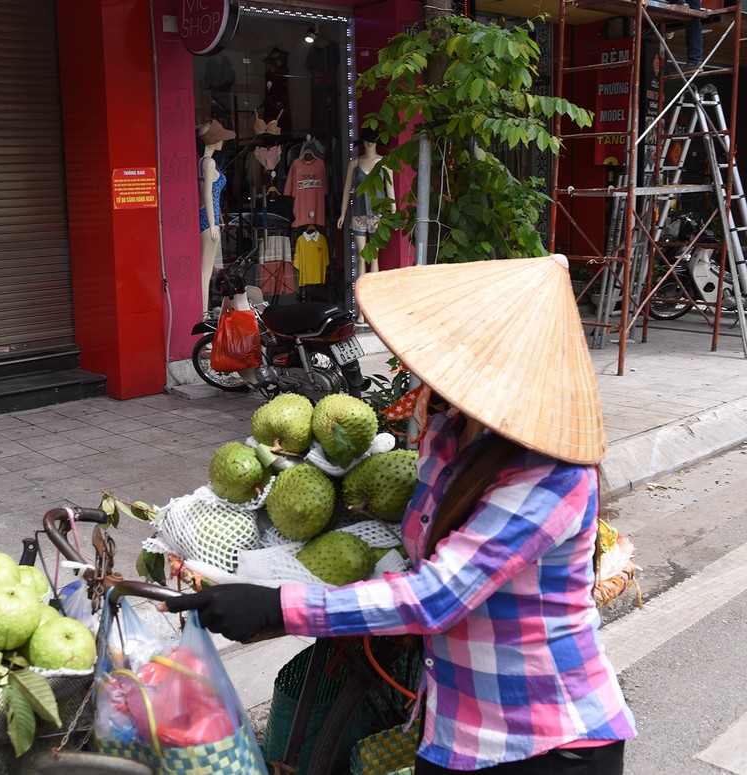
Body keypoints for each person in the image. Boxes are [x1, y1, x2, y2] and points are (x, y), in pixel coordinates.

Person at [163, 255, 638, 773]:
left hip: (544, 743)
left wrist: (280, 606)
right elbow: (418, 554)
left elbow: (436, 596)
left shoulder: (551, 478)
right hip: (455, 728)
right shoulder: (450, 437)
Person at [337, 128, 395, 280]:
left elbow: (391, 189)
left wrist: (394, 213)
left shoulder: (384, 163)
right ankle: (359, 295)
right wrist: (343, 213)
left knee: (374, 256)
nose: (369, 143)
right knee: (362, 256)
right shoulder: (354, 163)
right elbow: (347, 189)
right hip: (358, 214)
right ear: (362, 142)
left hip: (377, 216)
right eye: (367, 140)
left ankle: (373, 293)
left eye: (372, 140)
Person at [197, 119, 235, 316]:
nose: (222, 142)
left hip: (206, 217)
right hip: (206, 220)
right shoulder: (209, 163)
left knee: (207, 271)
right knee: (204, 275)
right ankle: (202, 321)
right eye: (220, 138)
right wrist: (213, 224)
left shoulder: (201, 161)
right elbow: (208, 196)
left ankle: (204, 316)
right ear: (213, 140)